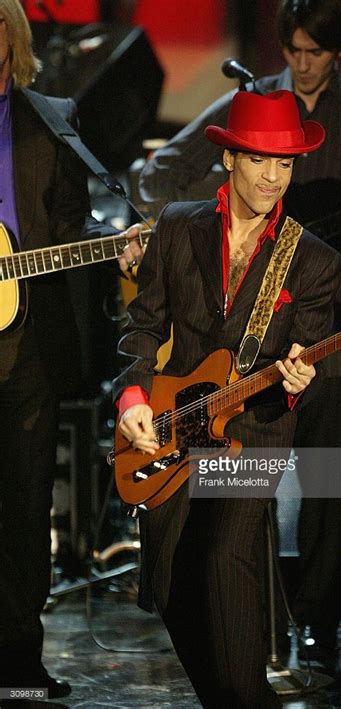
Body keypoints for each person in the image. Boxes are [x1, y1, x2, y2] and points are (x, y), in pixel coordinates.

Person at [139, 0, 341, 676]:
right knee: (195, 546)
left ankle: (312, 622)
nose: (301, 61)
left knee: (316, 485)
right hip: (224, 370)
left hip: (324, 332)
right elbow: (163, 172)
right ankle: (249, 639)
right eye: (292, 49)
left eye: (314, 50)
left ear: (338, 51)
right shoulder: (254, 102)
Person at [113, 88, 341, 708]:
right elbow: (142, 325)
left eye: (286, 163)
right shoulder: (176, 227)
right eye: (261, 160)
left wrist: (298, 382)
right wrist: (133, 393)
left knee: (223, 559)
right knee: (172, 580)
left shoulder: (313, 260)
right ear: (230, 159)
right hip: (174, 422)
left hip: (256, 432)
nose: (274, 177)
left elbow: (308, 350)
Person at [0, 0, 142, 698]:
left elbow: (74, 224)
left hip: (30, 345)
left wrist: (110, 250)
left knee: (27, 504)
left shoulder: (50, 118)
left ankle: (19, 651)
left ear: (10, 35)